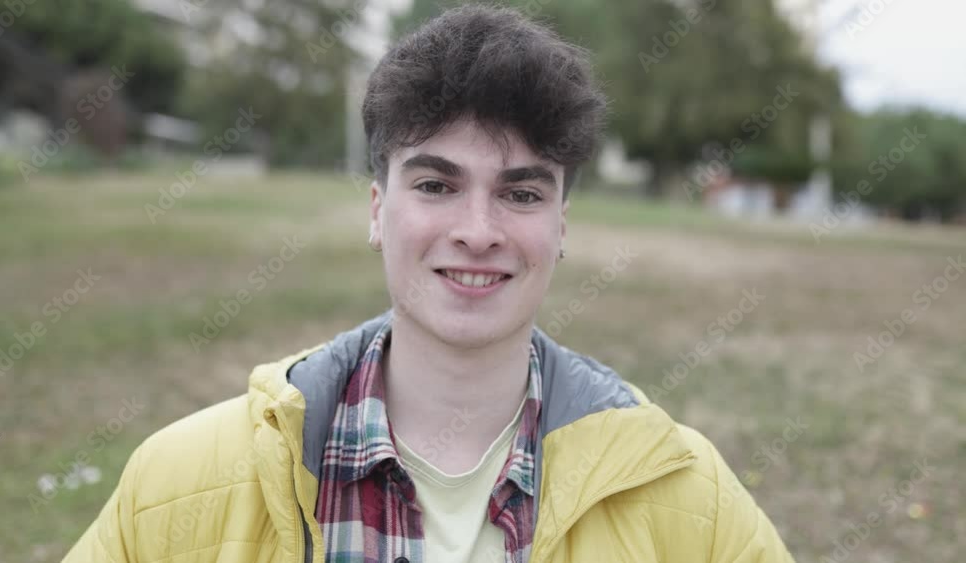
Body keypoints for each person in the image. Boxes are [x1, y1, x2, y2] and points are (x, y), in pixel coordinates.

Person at [64, 5, 795, 562]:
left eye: (521, 193)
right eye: (436, 185)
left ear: (562, 226)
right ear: (377, 210)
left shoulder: (690, 501)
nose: (478, 230)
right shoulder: (177, 487)